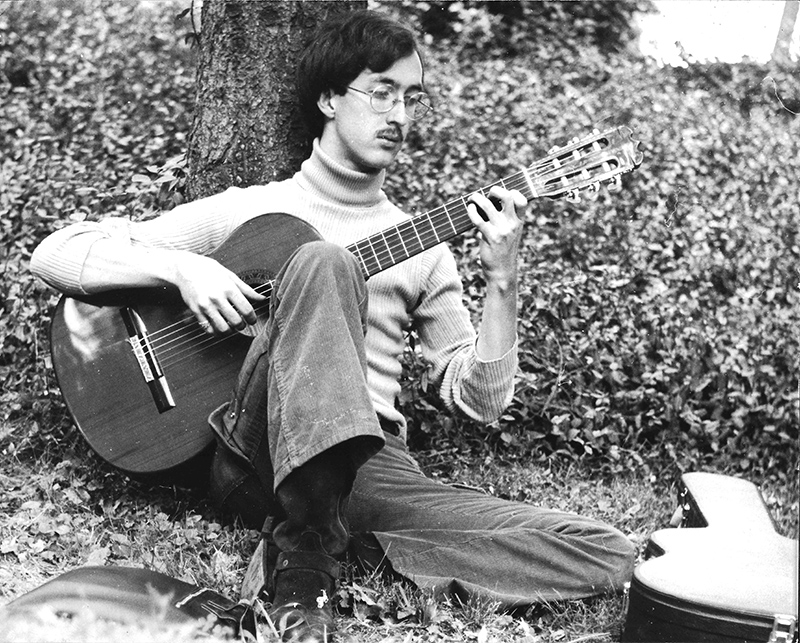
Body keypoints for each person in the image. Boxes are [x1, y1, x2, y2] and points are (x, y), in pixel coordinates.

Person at [31, 10, 635, 642]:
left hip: (370, 467)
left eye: (411, 99)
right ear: (327, 98)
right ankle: (307, 548)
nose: (399, 115)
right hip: (260, 450)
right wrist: (183, 270)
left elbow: (478, 403)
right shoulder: (252, 211)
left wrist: (503, 280)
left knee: (607, 550)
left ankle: (337, 553)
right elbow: (56, 253)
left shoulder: (427, 250)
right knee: (322, 258)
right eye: (381, 93)